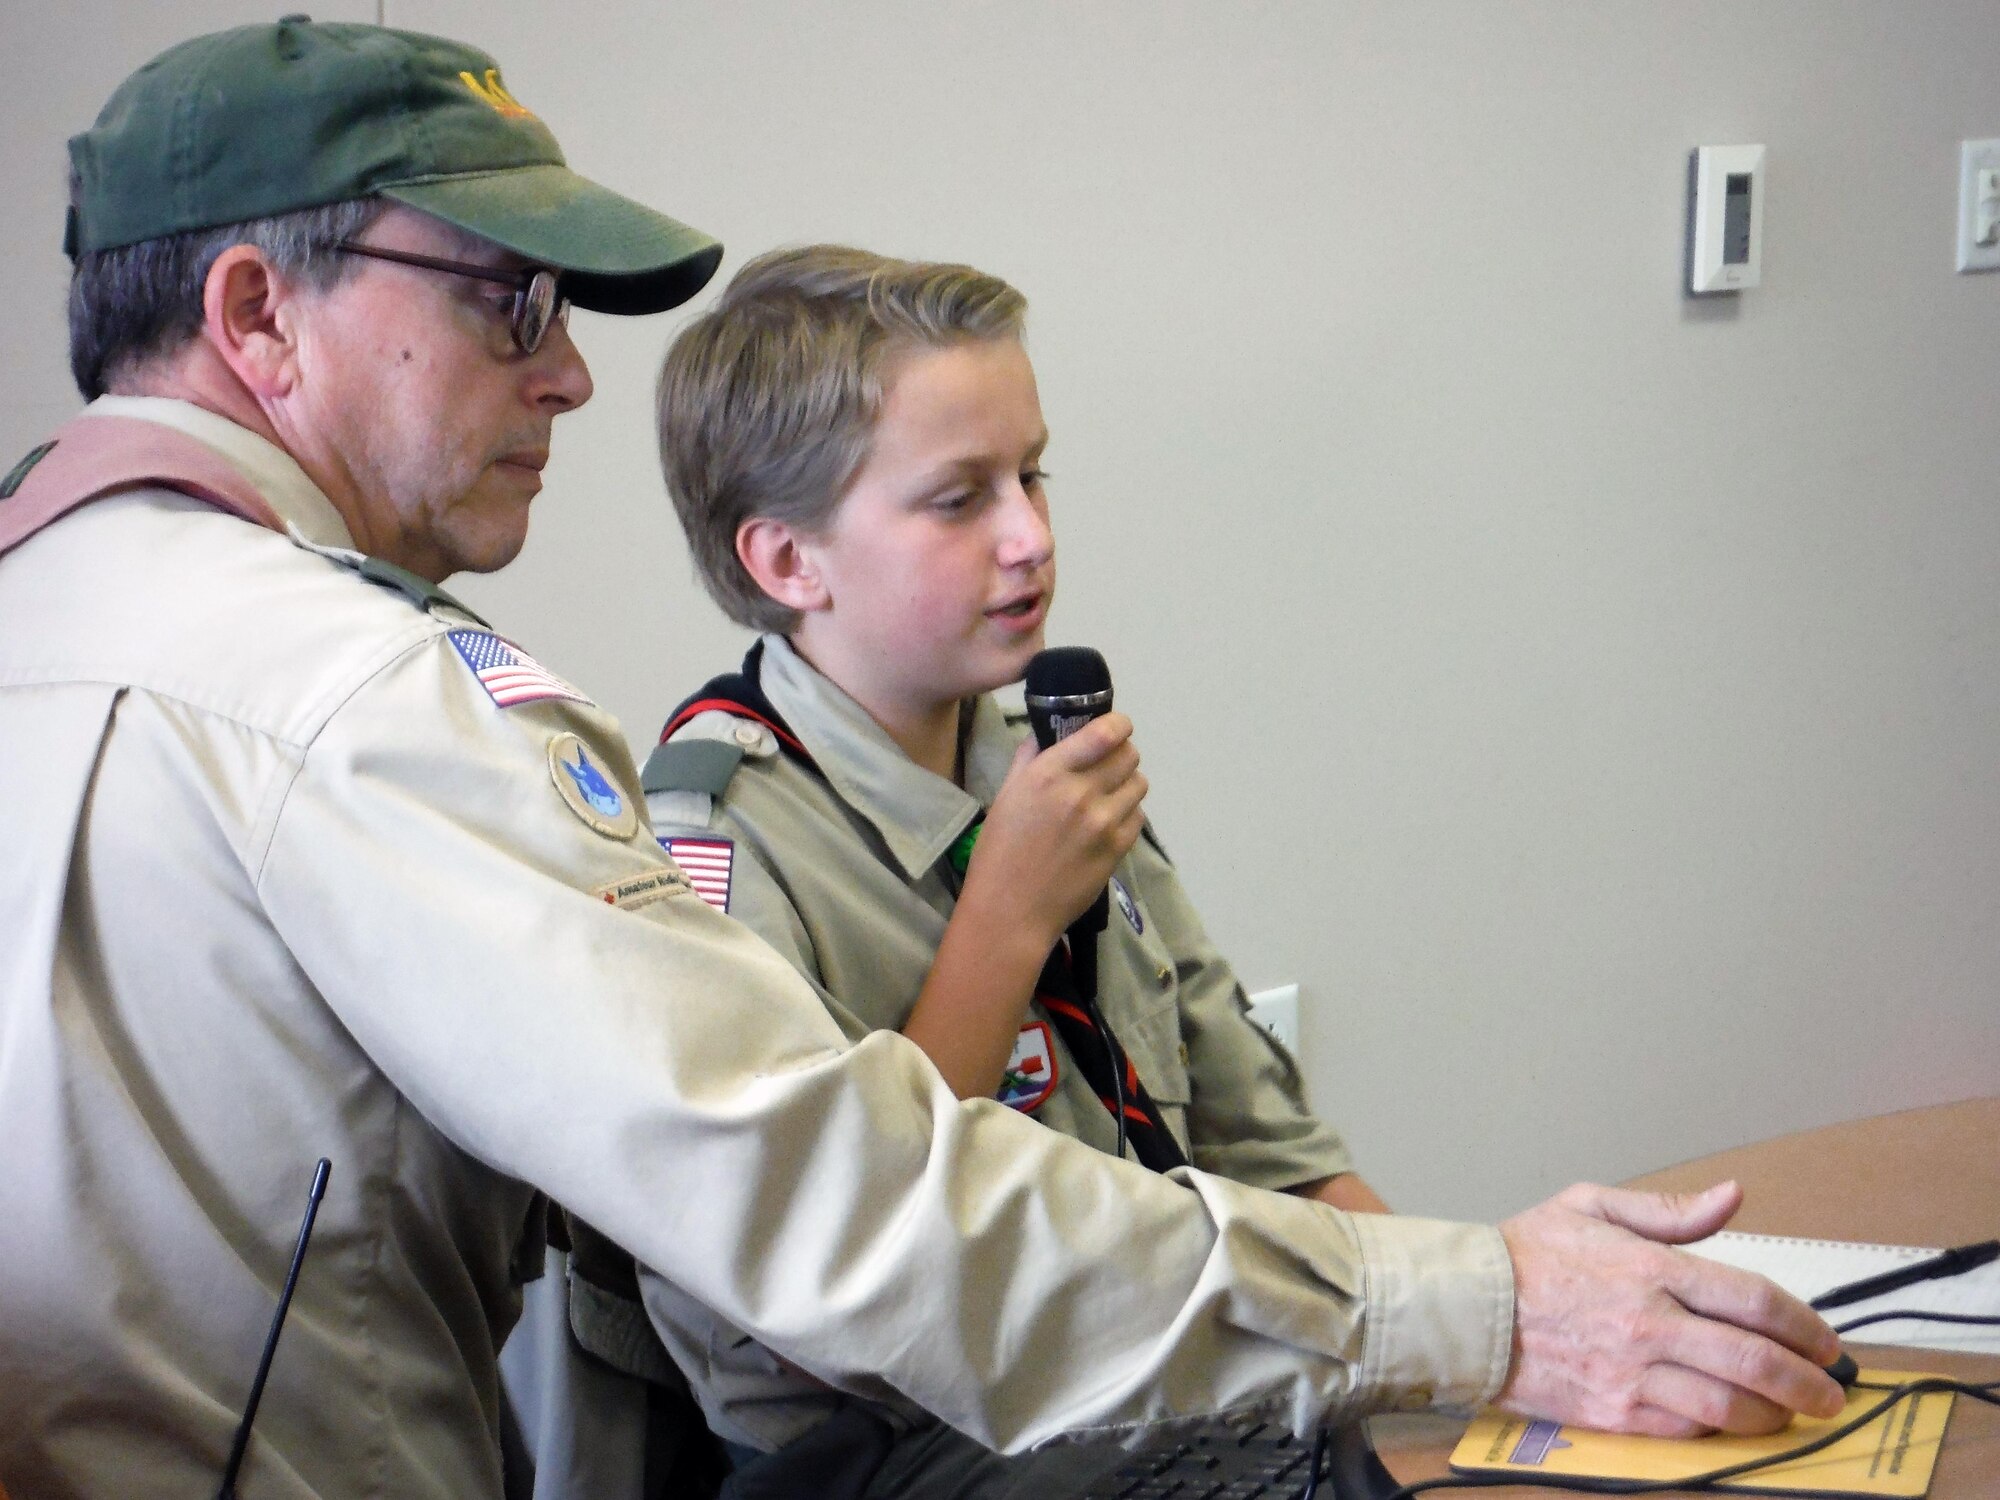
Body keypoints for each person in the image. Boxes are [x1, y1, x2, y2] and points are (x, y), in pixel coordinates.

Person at [0, 20, 1840, 1500]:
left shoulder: (69, 617)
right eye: (508, 301)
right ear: (254, 316)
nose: (562, 375)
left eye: (1035, 480)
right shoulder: (368, 703)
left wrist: (1485, 1308)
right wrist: (1485, 1308)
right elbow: (811, 1226)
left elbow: (1238, 1107)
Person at [625, 245, 1845, 1497]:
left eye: (1032, 476)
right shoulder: (706, 848)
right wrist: (1003, 920)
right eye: (957, 499)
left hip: (1161, 1372)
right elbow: (838, 1281)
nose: (1029, 538)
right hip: (908, 1448)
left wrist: (1512, 1327)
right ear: (786, 562)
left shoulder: (1031, 757)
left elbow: (1264, 1145)